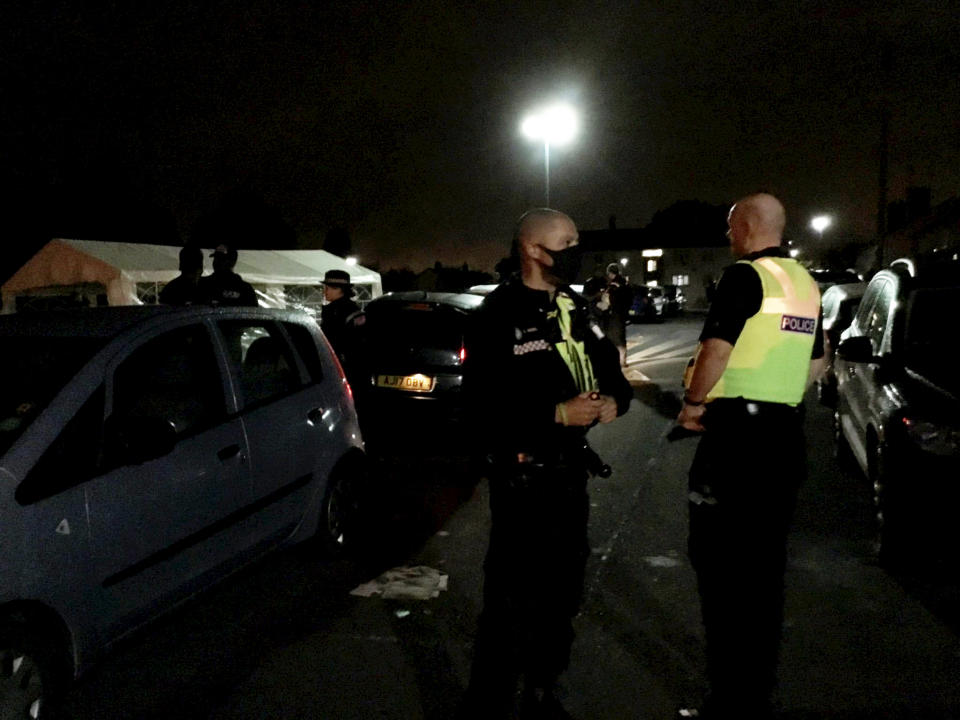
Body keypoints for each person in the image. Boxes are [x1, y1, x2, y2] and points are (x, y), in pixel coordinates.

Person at [461, 208, 632, 719]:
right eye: (567, 243)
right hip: (522, 479)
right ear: (533, 250)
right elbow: (480, 410)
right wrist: (555, 412)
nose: (577, 251)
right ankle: (489, 702)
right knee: (510, 600)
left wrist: (613, 403)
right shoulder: (496, 315)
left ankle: (543, 690)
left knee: (562, 593)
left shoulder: (575, 308)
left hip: (568, 476)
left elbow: (612, 375)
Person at [674, 193, 824, 719]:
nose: (727, 235)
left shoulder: (745, 277)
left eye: (729, 226)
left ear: (745, 225)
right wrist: (777, 395)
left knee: (721, 571)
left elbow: (717, 348)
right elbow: (818, 362)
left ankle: (728, 698)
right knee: (765, 573)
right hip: (783, 440)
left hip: (735, 443)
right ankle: (757, 692)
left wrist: (693, 406)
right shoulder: (806, 284)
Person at [319, 269, 364, 363]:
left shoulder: (344, 310)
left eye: (327, 288)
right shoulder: (352, 308)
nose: (324, 292)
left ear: (339, 289)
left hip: (343, 364)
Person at [604, 263, 631, 367]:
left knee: (615, 339)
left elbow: (608, 299)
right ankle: (623, 360)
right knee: (621, 338)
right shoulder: (625, 283)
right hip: (623, 314)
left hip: (614, 314)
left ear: (611, 273)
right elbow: (630, 299)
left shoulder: (613, 285)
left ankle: (618, 361)